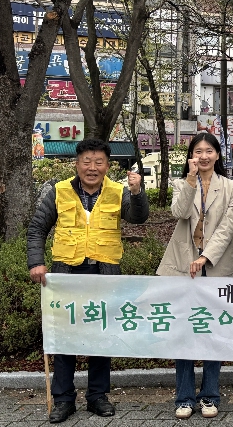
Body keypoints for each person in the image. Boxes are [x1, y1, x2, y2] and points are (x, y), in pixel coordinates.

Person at [27, 138, 149, 424]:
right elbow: (37, 229)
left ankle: (97, 396)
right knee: (65, 336)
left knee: (102, 336)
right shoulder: (58, 191)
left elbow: (138, 218)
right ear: (77, 163)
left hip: (103, 275)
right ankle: (63, 399)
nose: (92, 168)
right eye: (87, 161)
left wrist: (137, 192)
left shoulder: (118, 191)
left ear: (107, 166)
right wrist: (36, 262)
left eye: (99, 162)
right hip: (66, 275)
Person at [155, 132, 233, 420]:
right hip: (183, 265)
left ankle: (210, 395)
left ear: (217, 155)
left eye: (209, 151)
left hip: (218, 266)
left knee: (213, 331)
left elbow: (228, 227)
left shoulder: (231, 188)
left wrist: (206, 256)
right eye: (198, 151)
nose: (203, 156)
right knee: (184, 330)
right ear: (191, 156)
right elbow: (179, 213)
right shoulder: (182, 184)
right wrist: (191, 180)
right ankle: (184, 397)